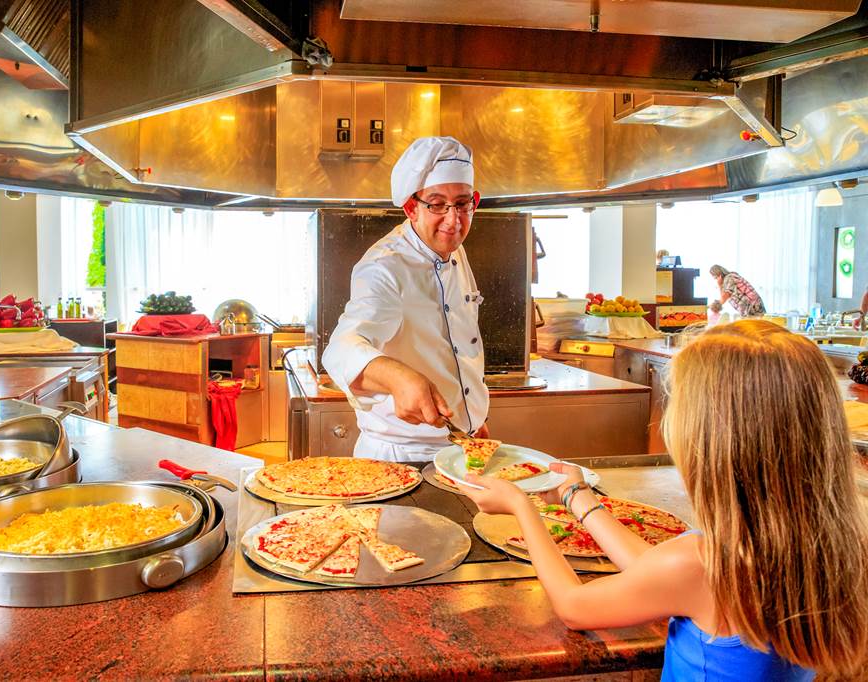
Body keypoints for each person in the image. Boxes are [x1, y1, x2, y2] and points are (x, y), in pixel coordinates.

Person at [460, 320, 868, 680]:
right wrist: (574, 495)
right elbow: (654, 571)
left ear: (713, 444)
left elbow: (574, 606)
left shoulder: (704, 564)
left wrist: (521, 506)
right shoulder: (828, 547)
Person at [321, 136, 489, 462]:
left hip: (461, 445)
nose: (454, 220)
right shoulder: (384, 267)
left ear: (474, 201)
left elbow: (454, 344)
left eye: (462, 203)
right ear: (412, 208)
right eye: (437, 204)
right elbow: (340, 350)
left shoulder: (453, 248)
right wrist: (399, 378)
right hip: (404, 455)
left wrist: (473, 418)